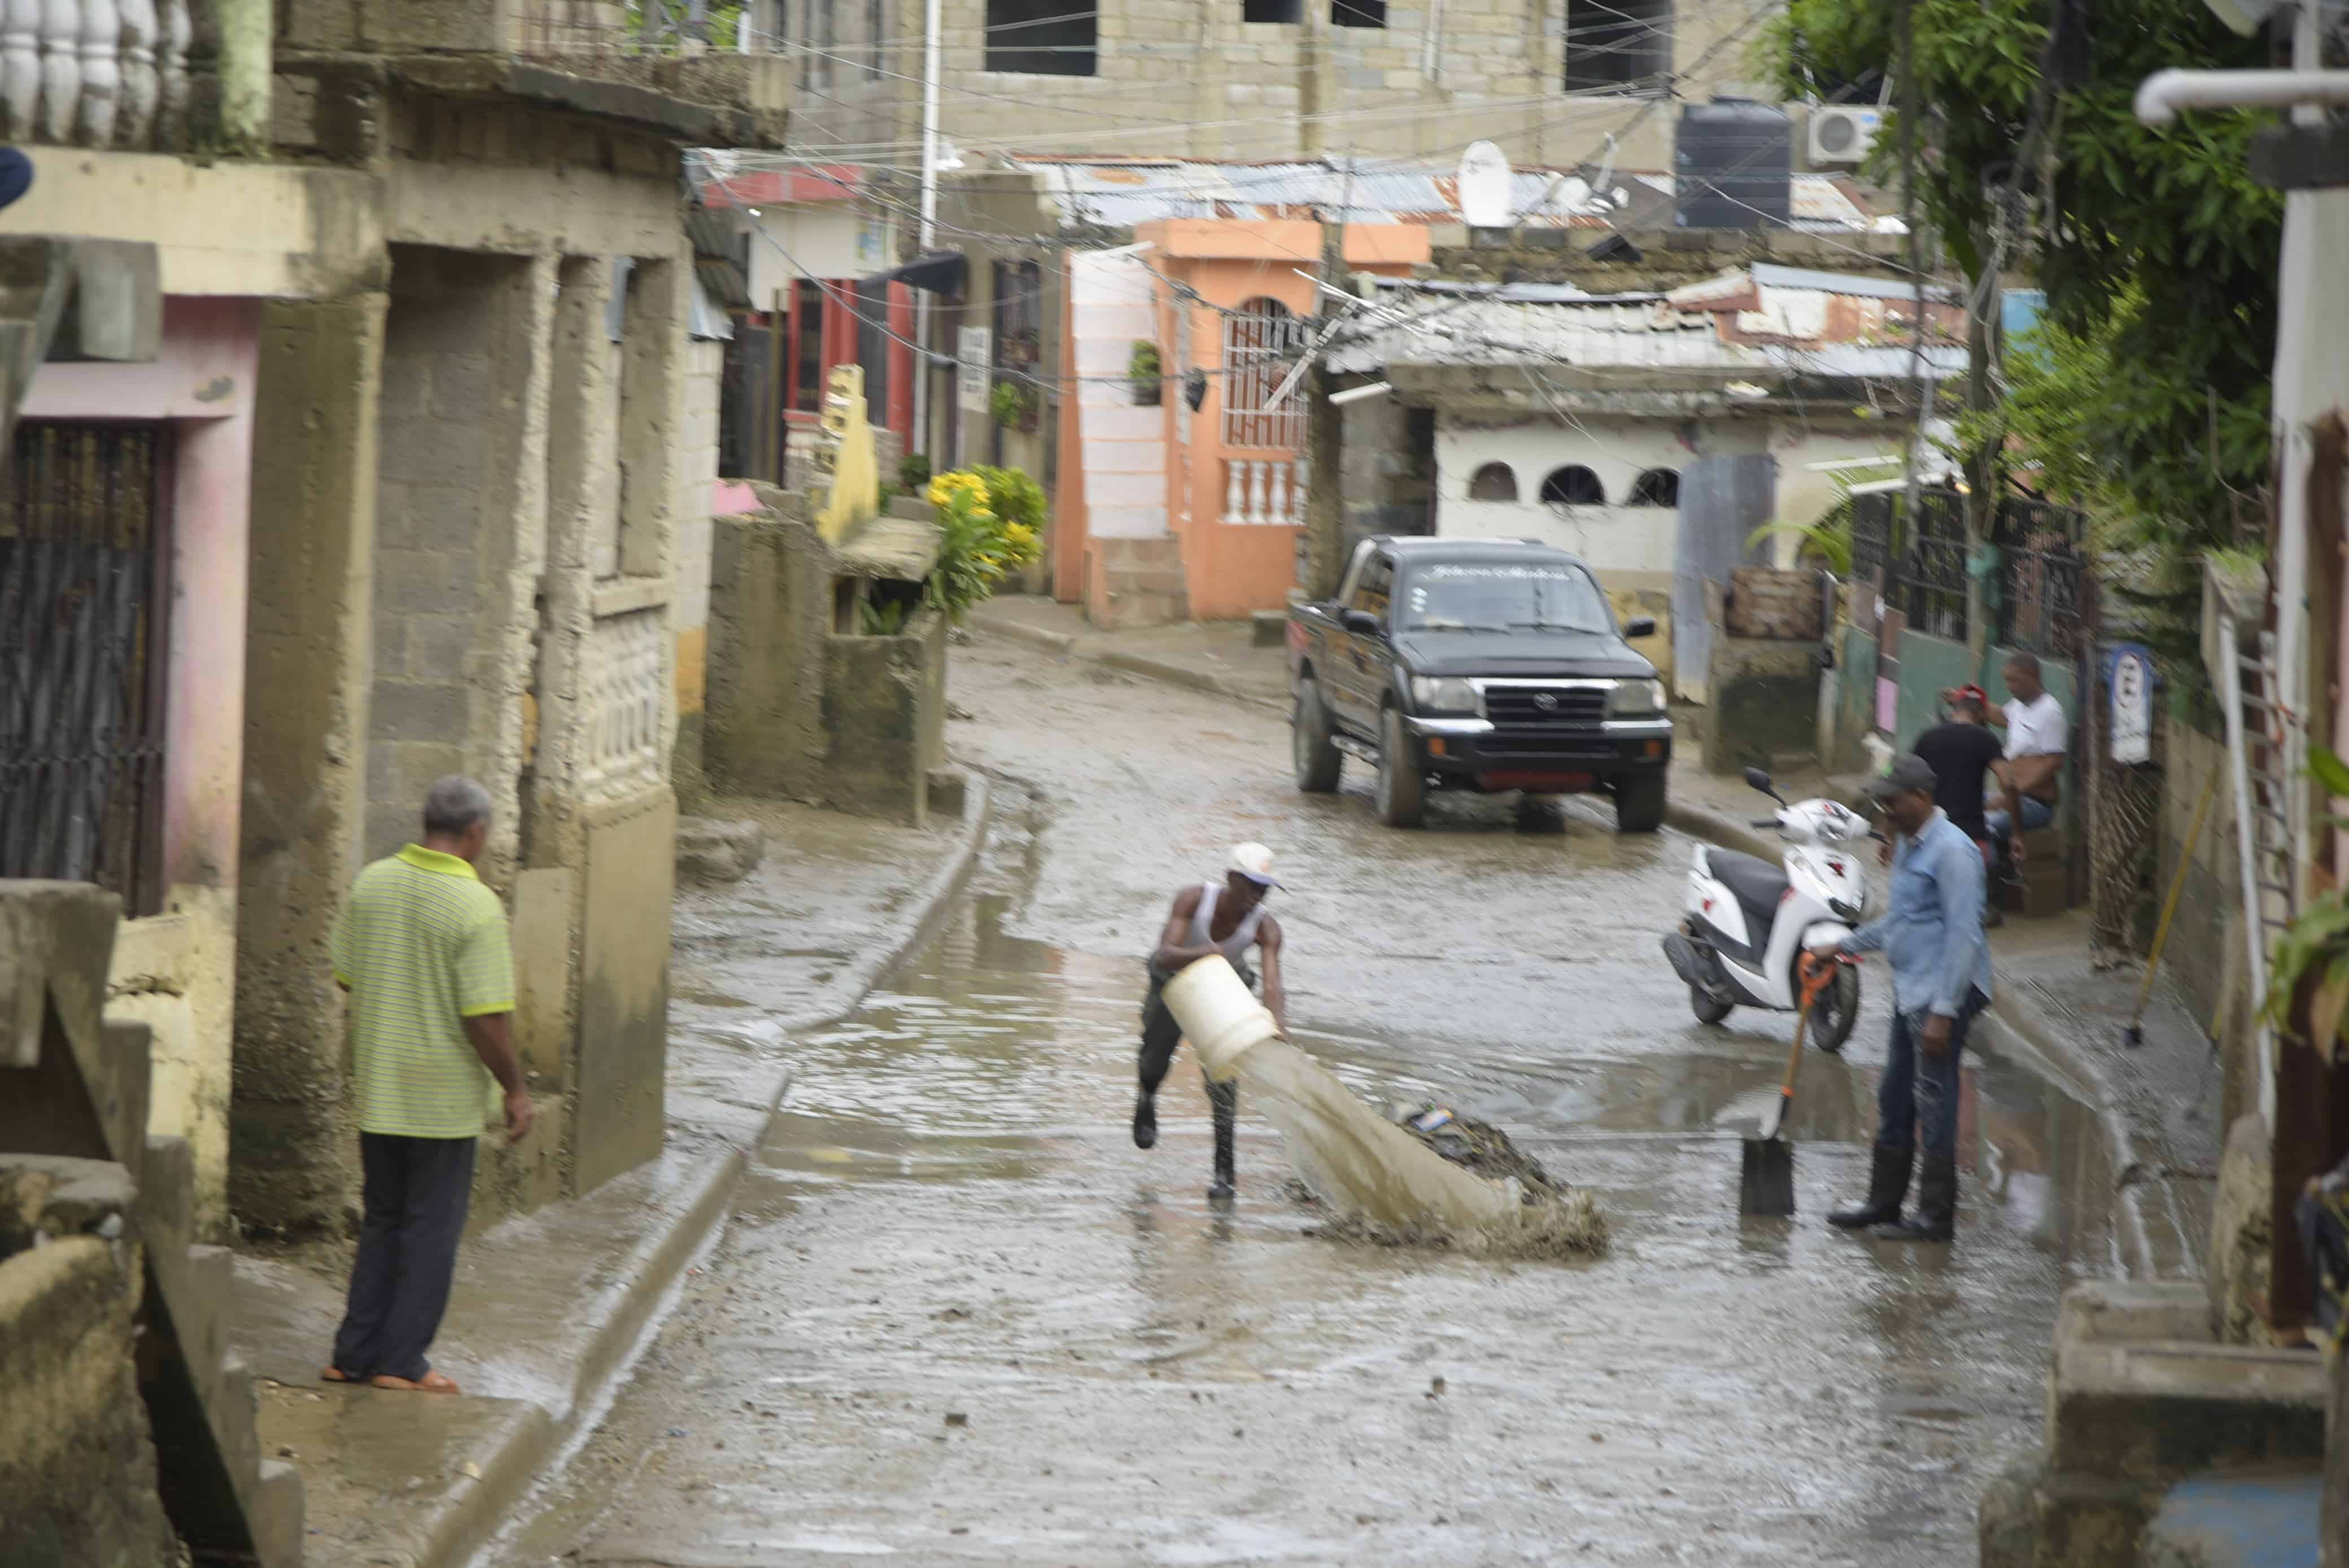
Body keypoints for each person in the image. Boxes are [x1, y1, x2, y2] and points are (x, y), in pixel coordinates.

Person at [322, 777, 533, 1395]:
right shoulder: (475, 906)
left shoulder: (372, 882)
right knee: (431, 1230)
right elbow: (484, 1017)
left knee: (383, 1219)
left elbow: (346, 973)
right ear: (475, 834)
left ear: (426, 823)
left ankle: (352, 1353)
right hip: (439, 1099)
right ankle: (402, 1361)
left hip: (379, 1088)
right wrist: (516, 1089)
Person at [1813, 753, 1994, 1243]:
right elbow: (1901, 921)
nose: (1886, 809)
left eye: (1894, 801)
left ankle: (1935, 1217)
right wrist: (1842, 946)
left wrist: (1944, 1012)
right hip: (1912, 987)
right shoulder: (1911, 845)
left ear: (1923, 797)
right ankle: (1883, 1201)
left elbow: (1964, 937)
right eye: (1883, 800)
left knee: (1933, 1100)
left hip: (1941, 992)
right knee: (1895, 1094)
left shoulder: (1954, 852)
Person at [1135, 843, 1288, 1201]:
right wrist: (1203, 952)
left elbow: (1273, 986)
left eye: (1263, 888)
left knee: (1223, 1079)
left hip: (1224, 991)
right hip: (1173, 984)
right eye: (1250, 884)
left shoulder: (1266, 928)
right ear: (1230, 878)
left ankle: (1225, 1171)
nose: (1257, 895)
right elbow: (1164, 954)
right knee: (1153, 1060)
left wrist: (1279, 1030)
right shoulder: (1193, 900)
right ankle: (1146, 1097)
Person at [1913, 685, 2023, 923]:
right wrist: (2016, 833)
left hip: (1931, 838)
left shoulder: (1927, 737)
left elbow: (1902, 780)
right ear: (1982, 714)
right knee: (1991, 863)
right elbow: (2009, 782)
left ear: (1955, 708)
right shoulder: (1986, 739)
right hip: (1973, 842)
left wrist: (1892, 837)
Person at [1948, 653, 2067, 855]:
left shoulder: (2051, 712)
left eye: (2014, 680)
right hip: (2010, 795)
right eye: (2006, 680)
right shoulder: (2019, 705)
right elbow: (2003, 716)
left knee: (1982, 828)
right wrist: (1964, 701)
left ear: (2032, 676)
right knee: (1955, 810)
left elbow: (2053, 762)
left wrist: (2011, 795)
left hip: (2034, 804)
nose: (2009, 686)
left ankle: (1995, 879)